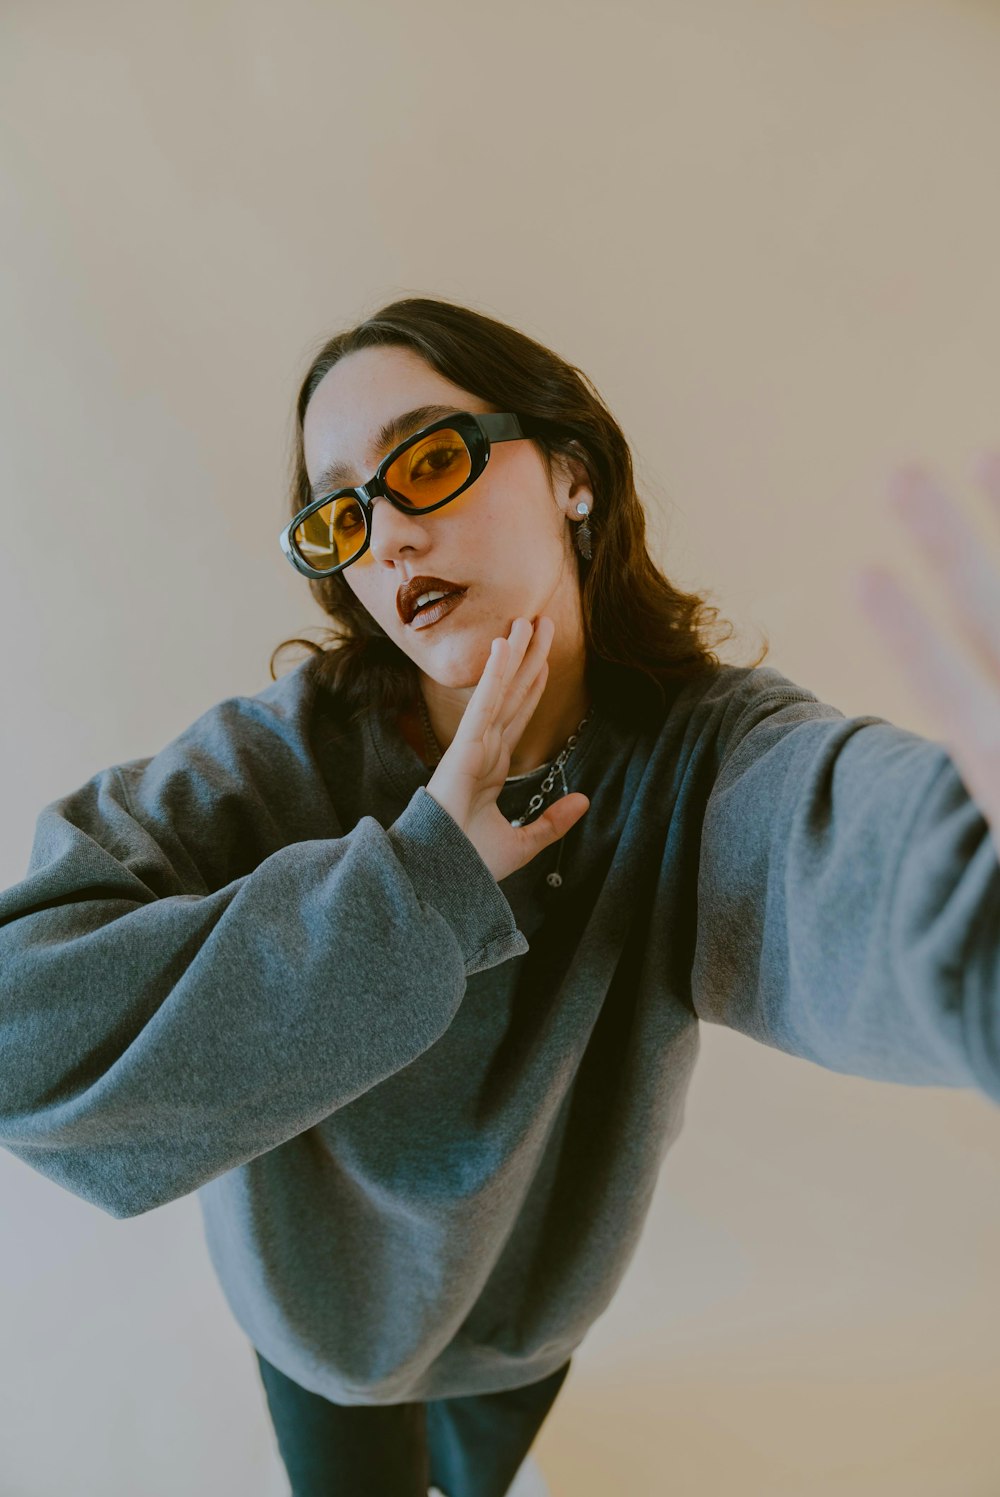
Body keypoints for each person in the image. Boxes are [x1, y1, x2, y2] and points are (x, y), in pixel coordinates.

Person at [1, 296, 998, 1497]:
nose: (386, 538)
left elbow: (858, 865)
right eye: (339, 514)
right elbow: (20, 1029)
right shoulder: (276, 765)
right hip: (324, 1335)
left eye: (427, 460)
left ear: (570, 473)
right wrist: (423, 877)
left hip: (526, 1323)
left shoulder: (702, 760)